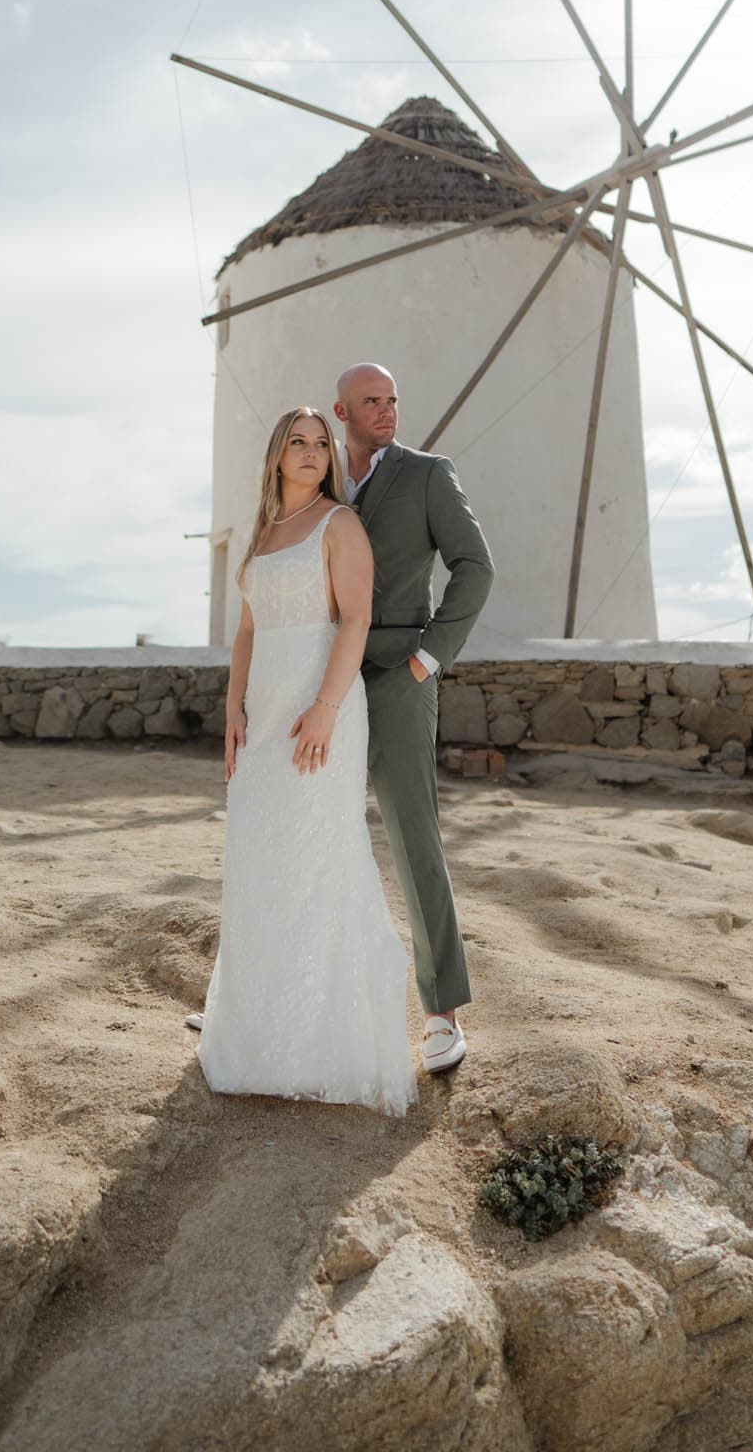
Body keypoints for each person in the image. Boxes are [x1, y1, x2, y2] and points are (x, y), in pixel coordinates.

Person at [196, 405, 415, 1115]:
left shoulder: (338, 525)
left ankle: (324, 1042)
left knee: (319, 857)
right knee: (261, 858)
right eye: (299, 441)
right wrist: (234, 707)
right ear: (276, 454)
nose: (313, 452)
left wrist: (324, 705)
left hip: (321, 711)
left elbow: (355, 618)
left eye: (323, 443)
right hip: (263, 717)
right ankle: (257, 1032)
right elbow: (248, 630)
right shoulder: (263, 532)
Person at [334, 362, 494, 1076]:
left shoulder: (429, 474)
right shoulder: (319, 479)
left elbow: (475, 565)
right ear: (342, 411)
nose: (387, 410)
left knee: (412, 837)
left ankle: (441, 1014)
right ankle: (270, 998)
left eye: (393, 398)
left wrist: (431, 658)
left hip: (402, 677)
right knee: (301, 827)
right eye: (371, 401)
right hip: (323, 680)